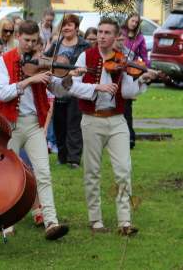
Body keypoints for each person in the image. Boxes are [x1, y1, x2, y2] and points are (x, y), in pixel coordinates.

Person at [64, 18, 157, 235]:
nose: (102, 36)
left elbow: (126, 92)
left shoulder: (122, 60)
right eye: (101, 32)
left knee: (124, 170)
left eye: (107, 33)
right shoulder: (85, 56)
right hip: (91, 119)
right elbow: (73, 87)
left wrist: (142, 80)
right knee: (92, 171)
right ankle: (95, 220)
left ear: (116, 37)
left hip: (116, 120)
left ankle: (124, 221)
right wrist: (98, 87)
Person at [0, 20, 69, 240]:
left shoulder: (42, 61)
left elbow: (57, 89)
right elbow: (3, 93)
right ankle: (6, 222)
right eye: (26, 40)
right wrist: (29, 80)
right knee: (8, 174)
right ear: (17, 37)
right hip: (9, 124)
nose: (30, 44)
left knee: (44, 172)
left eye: (34, 41)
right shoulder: (4, 60)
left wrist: (67, 79)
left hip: (33, 123)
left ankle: (51, 222)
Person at [45, 14, 90, 168]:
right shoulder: (56, 44)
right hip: (58, 89)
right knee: (59, 125)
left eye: (70, 25)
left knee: (74, 124)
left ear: (76, 28)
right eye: (64, 25)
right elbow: (46, 60)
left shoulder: (84, 45)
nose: (66, 28)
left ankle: (74, 159)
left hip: (75, 89)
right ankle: (62, 156)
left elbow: (88, 64)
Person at [121, 13, 149, 149]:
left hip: (132, 72)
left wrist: (145, 68)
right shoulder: (120, 33)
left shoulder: (140, 38)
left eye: (136, 22)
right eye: (132, 20)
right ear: (127, 20)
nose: (134, 24)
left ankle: (130, 137)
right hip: (118, 69)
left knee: (127, 108)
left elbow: (144, 55)